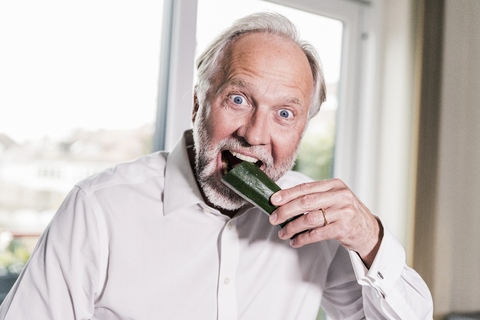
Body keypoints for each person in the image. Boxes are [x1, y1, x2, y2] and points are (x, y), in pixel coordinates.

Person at [0, 12, 432, 319]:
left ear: (302, 129)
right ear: (196, 103)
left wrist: (370, 239)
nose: (255, 134)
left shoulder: (317, 221)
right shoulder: (100, 209)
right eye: (239, 99)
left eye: (285, 113)